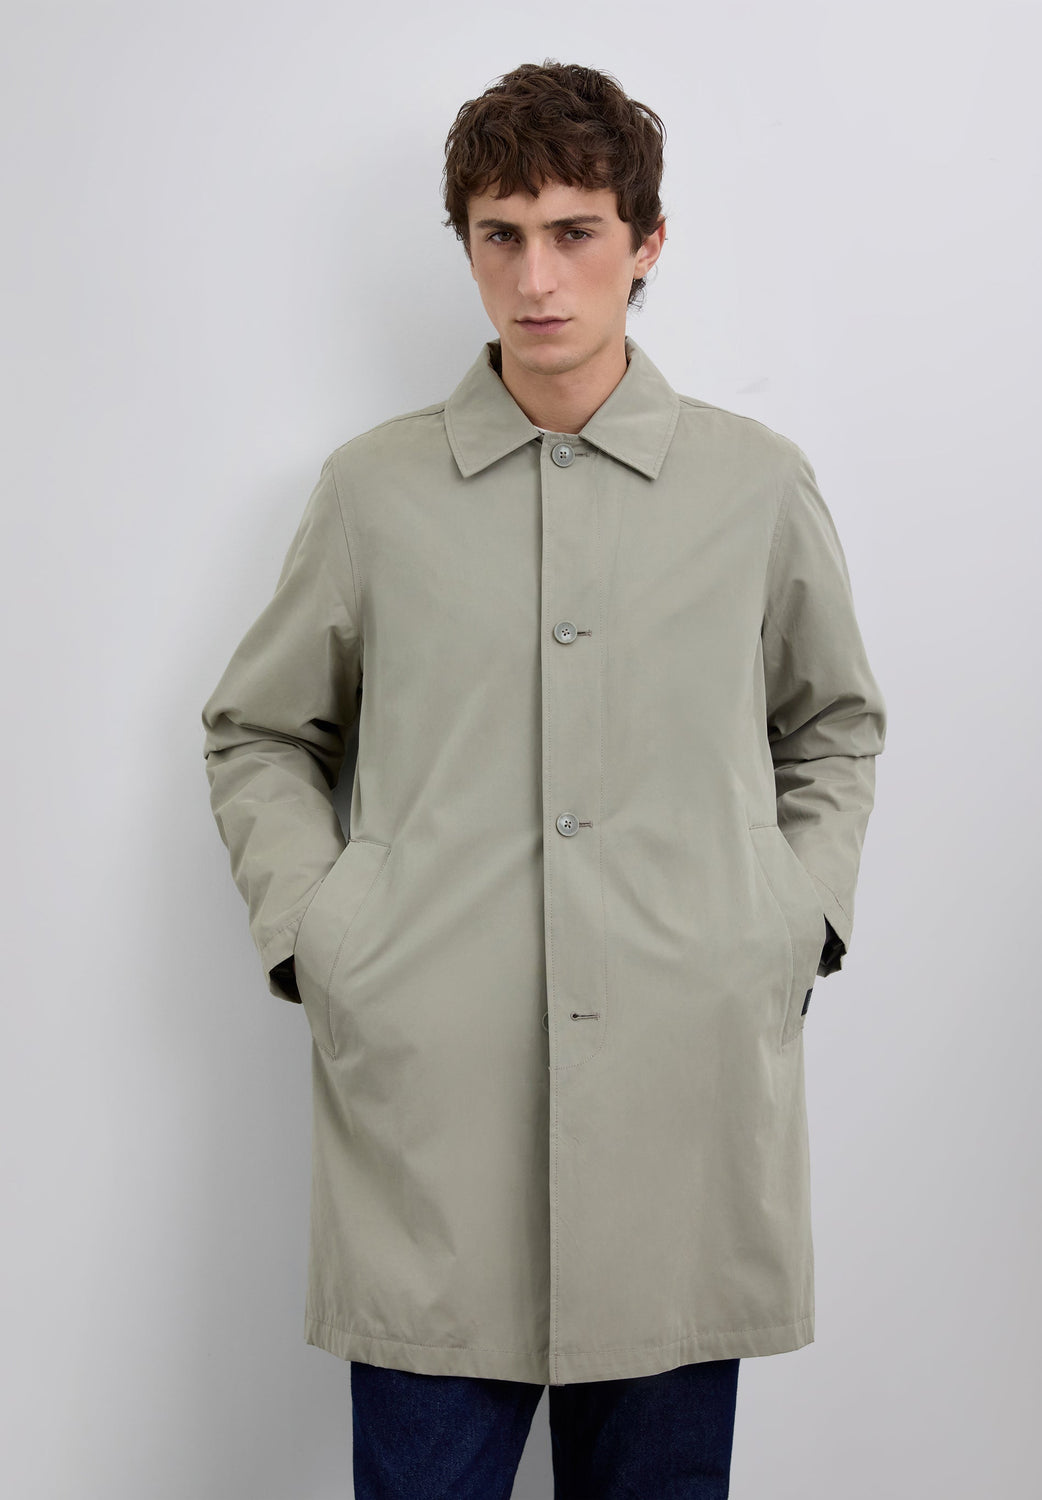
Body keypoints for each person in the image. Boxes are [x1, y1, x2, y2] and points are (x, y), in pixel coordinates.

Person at [201, 59, 887, 1499]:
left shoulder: (753, 486)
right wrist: (326, 935)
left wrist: (788, 922)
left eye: (575, 232)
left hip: (680, 1096)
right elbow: (262, 731)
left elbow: (832, 722)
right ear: (463, 245)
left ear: (646, 243)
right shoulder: (374, 493)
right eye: (499, 235)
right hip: (433, 1113)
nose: (536, 278)